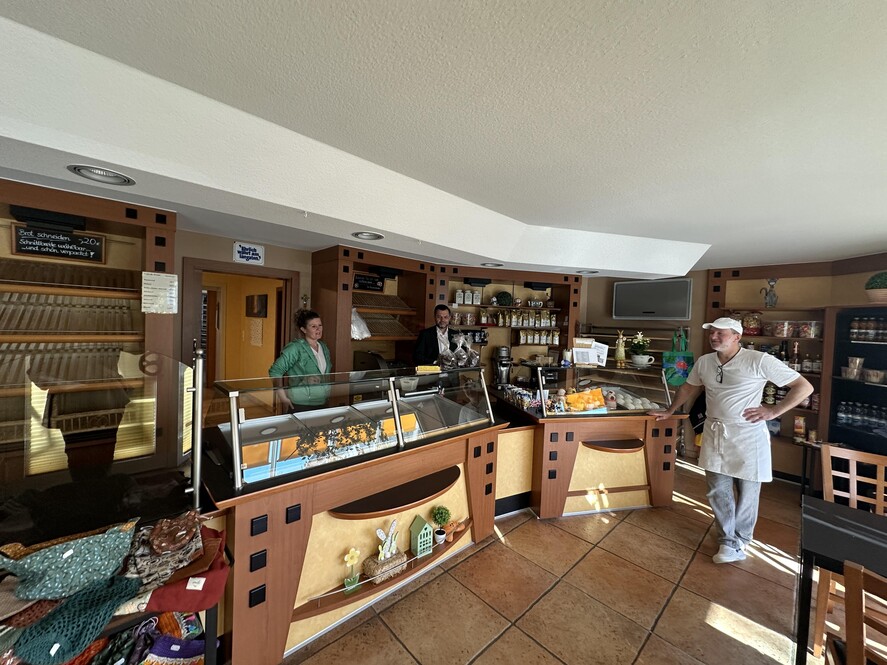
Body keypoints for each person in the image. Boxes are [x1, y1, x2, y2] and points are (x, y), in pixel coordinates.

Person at [650, 317, 813, 564]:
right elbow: (688, 387)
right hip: (715, 431)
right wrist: (671, 410)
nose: (714, 337)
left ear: (737, 337)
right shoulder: (705, 362)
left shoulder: (758, 360)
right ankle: (727, 540)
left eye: (720, 333)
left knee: (747, 491)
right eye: (711, 333)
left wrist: (773, 411)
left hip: (748, 434)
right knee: (717, 488)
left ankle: (742, 539)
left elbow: (803, 387)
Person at [269, 309, 332, 412]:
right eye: (313, 326)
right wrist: (282, 397)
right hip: (301, 403)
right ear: (304, 329)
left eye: (320, 325)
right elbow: (275, 371)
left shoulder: (324, 347)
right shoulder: (295, 348)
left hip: (322, 402)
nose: (318, 329)